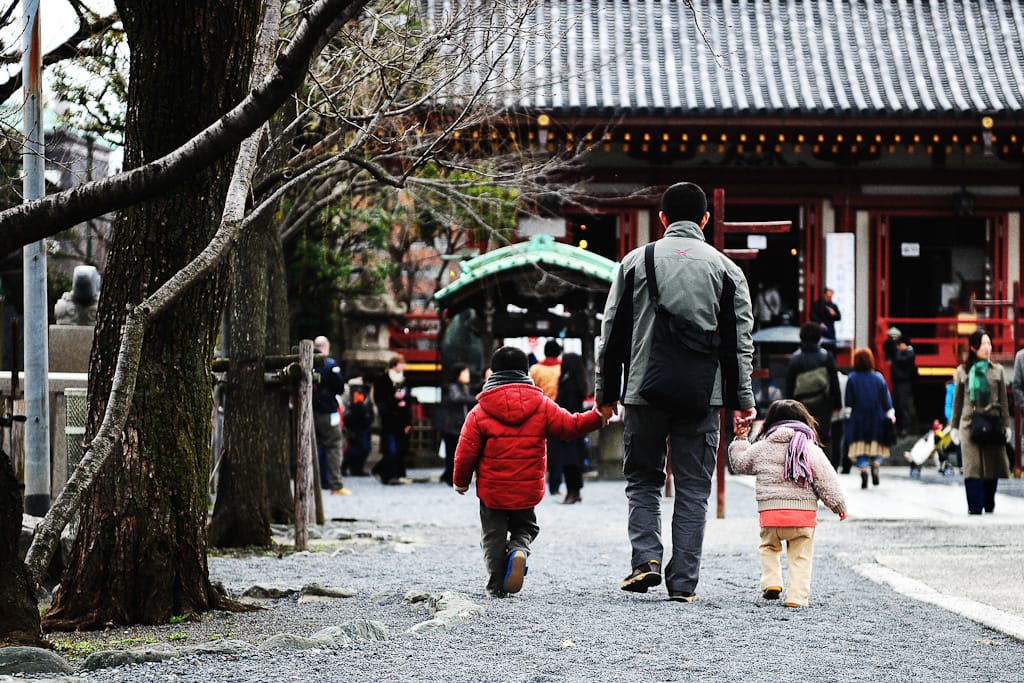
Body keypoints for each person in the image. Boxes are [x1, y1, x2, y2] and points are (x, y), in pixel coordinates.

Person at [595, 181, 756, 603]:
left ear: (663, 219)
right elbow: (738, 343)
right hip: (704, 396)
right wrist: (744, 401)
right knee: (693, 488)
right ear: (705, 220)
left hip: (643, 392)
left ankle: (645, 559)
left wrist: (606, 391)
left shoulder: (635, 261)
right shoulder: (727, 270)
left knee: (643, 480)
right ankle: (683, 584)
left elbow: (612, 332)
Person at [453, 346, 605, 597]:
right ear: (525, 371)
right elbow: (570, 425)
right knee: (527, 527)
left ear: (494, 372)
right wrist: (598, 417)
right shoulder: (542, 405)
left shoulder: (480, 411)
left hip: (493, 491)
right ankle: (519, 548)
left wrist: (461, 482)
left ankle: (496, 585)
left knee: (493, 537)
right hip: (527, 487)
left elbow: (465, 451)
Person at [728, 399, 847, 608]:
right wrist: (838, 505)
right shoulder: (810, 449)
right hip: (803, 517)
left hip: (770, 514)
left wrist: (740, 439)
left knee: (768, 547)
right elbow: (827, 480)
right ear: (804, 421)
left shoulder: (762, 447)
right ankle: (797, 598)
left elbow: (740, 464)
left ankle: (772, 582)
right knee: (800, 557)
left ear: (770, 423)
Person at [950, 330, 1011, 514]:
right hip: (969, 422)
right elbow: (957, 401)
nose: (987, 348)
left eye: (989, 344)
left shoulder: (998, 370)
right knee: (972, 465)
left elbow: (1003, 400)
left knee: (992, 463)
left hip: (992, 422)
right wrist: (953, 426)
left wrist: (1007, 425)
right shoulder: (962, 371)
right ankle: (974, 506)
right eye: (984, 344)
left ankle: (988, 502)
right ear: (974, 347)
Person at [785, 322, 841, 468]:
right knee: (824, 437)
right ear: (819, 338)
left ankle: (804, 466)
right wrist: (838, 405)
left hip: (801, 405)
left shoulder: (795, 359)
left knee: (802, 436)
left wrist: (788, 406)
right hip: (824, 402)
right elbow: (834, 382)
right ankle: (826, 467)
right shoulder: (826, 357)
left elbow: (789, 385)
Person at [844, 347, 895, 489]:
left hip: (859, 418)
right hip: (877, 418)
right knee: (877, 446)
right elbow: (886, 399)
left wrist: (848, 418)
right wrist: (890, 413)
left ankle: (863, 469)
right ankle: (876, 464)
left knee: (860, 448)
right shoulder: (878, 377)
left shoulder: (852, 378)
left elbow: (849, 402)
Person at [549, 352, 589, 503]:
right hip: (575, 426)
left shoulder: (570, 384)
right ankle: (575, 491)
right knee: (573, 460)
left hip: (569, 425)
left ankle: (573, 491)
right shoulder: (576, 382)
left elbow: (568, 406)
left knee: (570, 461)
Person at [312, 336, 350, 495]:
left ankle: (316, 482)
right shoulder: (329, 365)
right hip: (327, 410)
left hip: (310, 411)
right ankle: (336, 484)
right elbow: (339, 388)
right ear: (326, 348)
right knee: (334, 446)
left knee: (315, 446)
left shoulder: (306, 363)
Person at [373, 354, 413, 485]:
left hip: (401, 419)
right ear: (395, 365)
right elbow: (380, 400)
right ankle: (389, 475)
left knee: (400, 449)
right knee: (390, 448)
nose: (403, 366)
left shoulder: (405, 380)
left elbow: (409, 402)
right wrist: (394, 399)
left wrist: (408, 421)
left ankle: (392, 473)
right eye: (401, 363)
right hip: (389, 419)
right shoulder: (383, 380)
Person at [436, 363, 476, 486]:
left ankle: (452, 476)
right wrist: (476, 399)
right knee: (452, 453)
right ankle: (450, 476)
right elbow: (457, 398)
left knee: (458, 454)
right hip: (452, 426)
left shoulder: (465, 387)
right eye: (465, 372)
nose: (467, 375)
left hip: (459, 425)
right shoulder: (453, 387)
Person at [341, 370, 375, 477]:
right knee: (363, 447)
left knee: (360, 446)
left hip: (357, 421)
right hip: (359, 421)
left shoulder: (353, 387)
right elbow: (360, 406)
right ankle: (347, 465)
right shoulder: (358, 389)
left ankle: (354, 467)